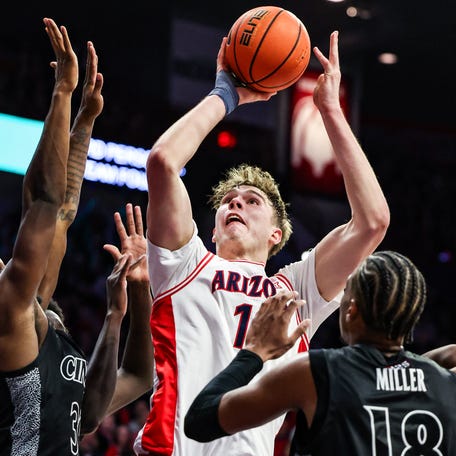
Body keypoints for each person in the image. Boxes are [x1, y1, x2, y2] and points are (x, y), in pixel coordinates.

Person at [137, 30, 390, 455]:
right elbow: (163, 162)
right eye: (228, 202)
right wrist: (226, 94)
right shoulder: (184, 264)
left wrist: (330, 112)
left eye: (251, 201)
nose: (236, 203)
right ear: (213, 229)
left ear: (277, 234)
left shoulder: (294, 291)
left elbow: (372, 221)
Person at [0, 18, 153, 455]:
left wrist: (128, 303)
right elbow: (45, 206)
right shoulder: (12, 317)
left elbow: (140, 376)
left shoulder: (52, 345)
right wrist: (62, 94)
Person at [185, 251, 456, 454]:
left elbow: (200, 420)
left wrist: (255, 351)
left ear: (351, 311)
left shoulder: (316, 373)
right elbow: (394, 375)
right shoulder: (445, 384)